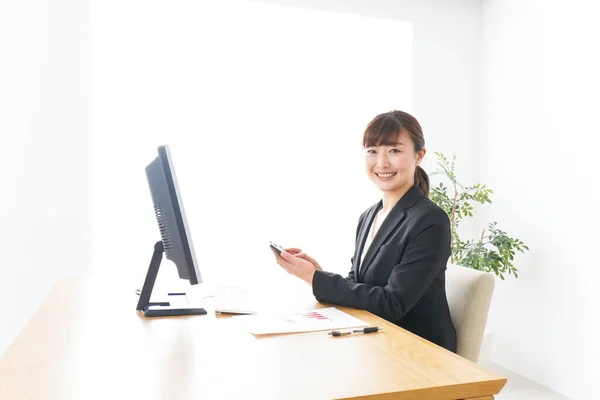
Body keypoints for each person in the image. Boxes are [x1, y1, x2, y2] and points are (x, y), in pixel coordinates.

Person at [271, 110, 457, 352]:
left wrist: (313, 278)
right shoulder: (369, 216)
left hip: (417, 351)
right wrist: (318, 272)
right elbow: (359, 283)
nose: (382, 163)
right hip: (374, 340)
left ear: (419, 155)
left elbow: (392, 303)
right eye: (372, 151)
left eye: (394, 151)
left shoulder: (430, 220)